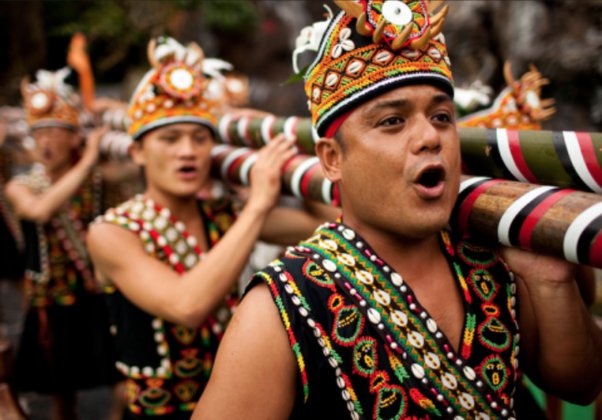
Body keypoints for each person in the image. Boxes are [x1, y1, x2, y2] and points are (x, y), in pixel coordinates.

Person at [194, 2, 602, 418]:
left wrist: (548, 282)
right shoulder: (281, 308)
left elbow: (582, 386)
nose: (430, 136)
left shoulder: (489, 254)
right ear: (333, 159)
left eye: (442, 116)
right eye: (392, 121)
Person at [86, 36, 334, 419]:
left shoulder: (223, 212)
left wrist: (293, 149)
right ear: (136, 151)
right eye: (170, 139)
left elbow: (322, 222)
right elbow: (187, 305)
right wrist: (256, 205)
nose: (188, 151)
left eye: (200, 138)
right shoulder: (111, 232)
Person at [5, 65, 121, 420]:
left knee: (124, 380)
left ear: (74, 137)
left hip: (96, 294)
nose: (45, 141)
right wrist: (86, 163)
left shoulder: (99, 181)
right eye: (39, 132)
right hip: (50, 301)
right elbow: (40, 211)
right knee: (61, 395)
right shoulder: (20, 186)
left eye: (56, 131)